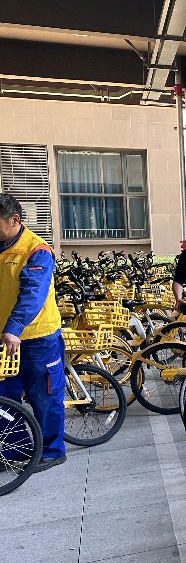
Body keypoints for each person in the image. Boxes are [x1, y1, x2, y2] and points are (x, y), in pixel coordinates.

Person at [0, 195, 66, 471]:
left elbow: (33, 293)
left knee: (45, 396)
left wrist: (14, 327)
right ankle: (16, 450)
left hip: (38, 338)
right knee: (5, 397)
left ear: (14, 220)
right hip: (5, 339)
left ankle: (52, 451)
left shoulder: (36, 250)